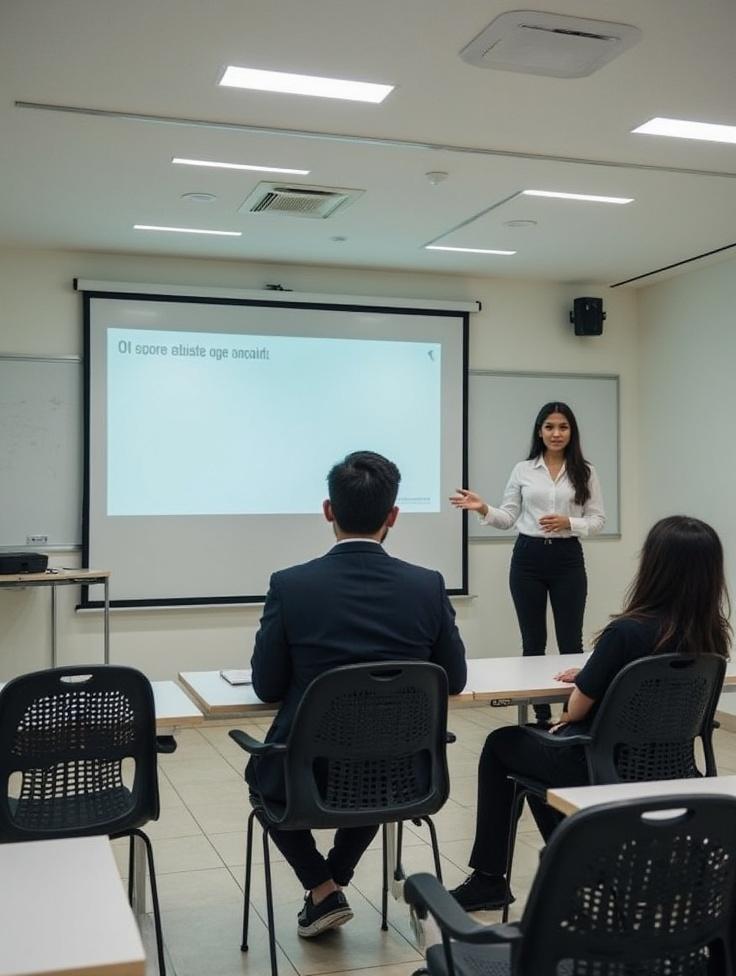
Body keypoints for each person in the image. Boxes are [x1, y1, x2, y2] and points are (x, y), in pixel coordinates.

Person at [449, 515, 731, 911]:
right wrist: (602, 674)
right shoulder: (712, 635)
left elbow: (577, 707)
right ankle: (581, 865)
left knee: (504, 745)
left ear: (653, 566)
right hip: (674, 767)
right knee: (534, 766)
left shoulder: (627, 632)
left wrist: (592, 682)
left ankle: (491, 879)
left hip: (600, 766)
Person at [246, 450, 467, 938]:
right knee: (375, 765)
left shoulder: (291, 586)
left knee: (261, 778)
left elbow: (265, 686)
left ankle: (323, 888)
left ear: (329, 510)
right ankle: (333, 879)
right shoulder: (427, 586)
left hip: (310, 772)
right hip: (405, 774)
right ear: (393, 516)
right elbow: (455, 677)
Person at [450, 401, 605, 724]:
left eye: (563, 427)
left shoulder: (585, 471)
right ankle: (539, 715)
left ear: (571, 432)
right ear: (540, 431)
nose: (556, 433)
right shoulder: (523, 469)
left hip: (567, 558)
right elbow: (507, 518)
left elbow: (597, 520)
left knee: (570, 641)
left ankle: (570, 714)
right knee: (533, 642)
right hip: (528, 558)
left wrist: (569, 523)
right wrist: (482, 508)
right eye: (549, 427)